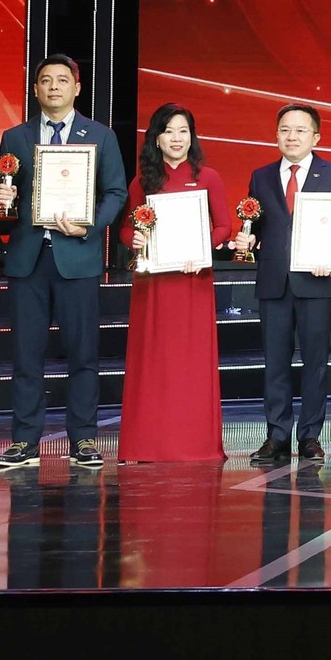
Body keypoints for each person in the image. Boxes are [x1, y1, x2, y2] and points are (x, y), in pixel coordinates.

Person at [0, 54, 127, 473]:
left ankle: (83, 439)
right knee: (26, 355)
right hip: (28, 259)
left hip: (77, 258)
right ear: (35, 89)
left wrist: (89, 226)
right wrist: (0, 199)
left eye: (62, 80)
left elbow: (116, 193)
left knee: (83, 354)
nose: (53, 87)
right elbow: (5, 194)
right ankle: (24, 441)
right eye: (45, 80)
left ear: (76, 88)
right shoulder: (15, 137)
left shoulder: (100, 136)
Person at [115, 101, 235, 462]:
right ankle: (149, 443)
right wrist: (135, 239)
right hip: (153, 285)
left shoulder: (208, 177)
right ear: (157, 138)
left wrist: (202, 247)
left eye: (184, 131)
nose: (177, 138)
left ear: (192, 137)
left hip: (192, 280)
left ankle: (194, 444)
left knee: (189, 364)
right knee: (154, 362)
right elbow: (125, 230)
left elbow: (224, 226)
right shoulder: (142, 181)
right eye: (169, 131)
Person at [242, 102, 331, 468]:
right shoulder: (260, 176)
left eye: (300, 130)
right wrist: (249, 239)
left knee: (315, 363)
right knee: (275, 363)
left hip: (317, 282)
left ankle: (310, 436)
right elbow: (257, 226)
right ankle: (276, 435)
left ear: (316, 137)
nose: (292, 136)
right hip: (274, 281)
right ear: (276, 135)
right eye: (285, 130)